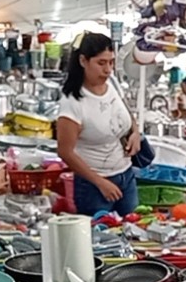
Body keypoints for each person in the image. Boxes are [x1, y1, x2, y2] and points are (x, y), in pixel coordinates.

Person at [56, 32, 140, 216]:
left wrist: (135, 133)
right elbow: (65, 152)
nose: (108, 70)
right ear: (83, 61)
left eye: (111, 62)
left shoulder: (113, 84)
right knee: (102, 239)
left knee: (134, 233)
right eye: (101, 63)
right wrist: (100, 182)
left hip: (126, 176)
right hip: (94, 187)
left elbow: (126, 113)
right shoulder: (73, 103)